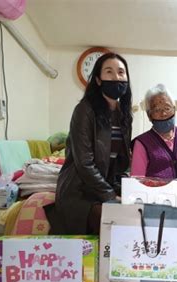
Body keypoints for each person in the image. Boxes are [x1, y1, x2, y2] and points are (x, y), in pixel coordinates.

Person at [45, 52, 133, 234]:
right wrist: (109, 195)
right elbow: (84, 163)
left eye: (121, 72)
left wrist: (125, 188)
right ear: (99, 80)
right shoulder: (84, 110)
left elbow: (122, 161)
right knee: (110, 220)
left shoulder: (124, 114)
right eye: (109, 71)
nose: (116, 77)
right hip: (79, 190)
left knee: (138, 212)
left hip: (104, 186)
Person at [131, 84, 177, 195]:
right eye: (157, 110)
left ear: (174, 109)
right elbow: (137, 180)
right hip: (155, 201)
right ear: (149, 115)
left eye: (167, 108)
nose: (163, 114)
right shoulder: (141, 143)